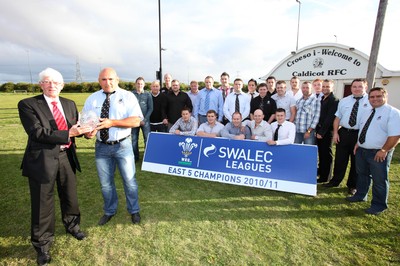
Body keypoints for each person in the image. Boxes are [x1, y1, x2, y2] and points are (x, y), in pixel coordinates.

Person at [18, 68, 91, 265]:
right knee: (43, 203)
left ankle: (73, 226)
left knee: (70, 196)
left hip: (66, 157)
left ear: (62, 85)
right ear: (40, 84)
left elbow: (76, 127)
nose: (52, 86)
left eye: (56, 82)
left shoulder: (69, 103)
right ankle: (42, 245)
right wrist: (71, 133)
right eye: (47, 82)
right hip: (42, 159)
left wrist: (87, 132)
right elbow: (37, 132)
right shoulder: (27, 104)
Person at [83, 67, 143, 226]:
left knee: (129, 181)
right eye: (103, 79)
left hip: (123, 145)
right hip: (101, 147)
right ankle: (109, 211)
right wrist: (87, 132)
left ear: (117, 79)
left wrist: (113, 123)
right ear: (99, 81)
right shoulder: (92, 99)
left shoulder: (128, 96)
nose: (107, 82)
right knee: (105, 183)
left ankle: (134, 210)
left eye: (110, 79)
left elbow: (136, 121)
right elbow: (86, 122)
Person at [346, 87, 400, 215]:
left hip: (378, 152)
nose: (375, 99)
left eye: (378, 96)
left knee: (379, 180)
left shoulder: (393, 113)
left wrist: (384, 150)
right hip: (362, 150)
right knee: (362, 175)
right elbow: (364, 129)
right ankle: (360, 195)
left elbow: (395, 136)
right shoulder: (367, 111)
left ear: (385, 97)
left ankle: (378, 205)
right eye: (372, 97)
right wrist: (358, 143)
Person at [324, 79, 371, 195]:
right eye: (354, 86)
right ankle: (335, 180)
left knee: (356, 161)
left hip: (359, 134)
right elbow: (337, 118)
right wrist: (335, 132)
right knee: (340, 159)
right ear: (351, 88)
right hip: (344, 132)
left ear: (365, 87)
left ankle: (352, 185)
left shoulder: (370, 101)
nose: (356, 88)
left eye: (360, 86)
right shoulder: (344, 101)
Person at [316, 79, 339, 183]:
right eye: (323, 86)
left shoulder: (334, 100)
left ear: (332, 88)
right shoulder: (322, 98)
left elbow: (330, 118)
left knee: (326, 154)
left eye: (327, 86)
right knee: (321, 153)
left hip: (326, 131)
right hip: (319, 129)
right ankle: (321, 172)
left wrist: (321, 132)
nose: (325, 88)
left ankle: (326, 177)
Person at [132, 77, 153, 162]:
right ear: (135, 84)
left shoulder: (148, 94)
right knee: (134, 139)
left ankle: (147, 158)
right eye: (138, 83)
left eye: (141, 83)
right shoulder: (131, 94)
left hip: (145, 121)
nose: (140, 85)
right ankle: (135, 158)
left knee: (147, 139)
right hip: (134, 121)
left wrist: (144, 120)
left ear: (144, 85)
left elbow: (150, 108)